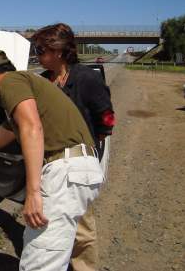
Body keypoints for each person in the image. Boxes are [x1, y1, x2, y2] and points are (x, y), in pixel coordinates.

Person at [0, 48, 104, 271]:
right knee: (56, 255)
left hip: (63, 172)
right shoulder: (22, 101)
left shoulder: (12, 82)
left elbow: (31, 128)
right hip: (80, 169)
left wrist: (34, 192)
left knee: (40, 262)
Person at [32, 23, 115, 271]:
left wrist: (90, 145)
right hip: (50, 164)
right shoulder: (43, 81)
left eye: (41, 49)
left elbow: (107, 119)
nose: (37, 54)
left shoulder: (87, 78)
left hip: (78, 163)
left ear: (58, 50)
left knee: (81, 227)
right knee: (52, 220)